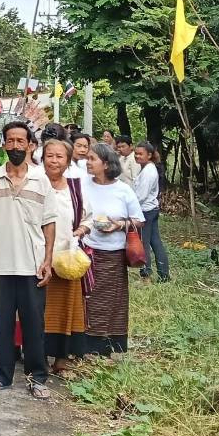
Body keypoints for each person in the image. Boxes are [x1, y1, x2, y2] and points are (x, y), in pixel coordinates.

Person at [0, 120, 56, 398]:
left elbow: (49, 223)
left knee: (34, 323)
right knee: (2, 323)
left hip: (32, 264)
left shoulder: (41, 179)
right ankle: (3, 375)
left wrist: (48, 260)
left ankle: (38, 377)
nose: (15, 146)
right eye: (10, 141)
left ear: (29, 145)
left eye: (20, 141)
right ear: (3, 144)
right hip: (0, 263)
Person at [74, 142, 144, 355]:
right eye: (87, 159)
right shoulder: (82, 184)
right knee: (88, 298)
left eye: (92, 159)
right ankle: (85, 344)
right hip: (87, 251)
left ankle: (109, 343)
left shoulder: (122, 190)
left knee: (112, 300)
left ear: (106, 164)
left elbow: (139, 220)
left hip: (114, 254)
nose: (88, 163)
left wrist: (118, 224)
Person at [40, 138, 87, 373]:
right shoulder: (35, 184)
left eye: (60, 156)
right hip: (39, 257)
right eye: (50, 155)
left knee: (66, 310)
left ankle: (61, 360)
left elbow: (88, 216)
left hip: (67, 259)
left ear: (68, 161)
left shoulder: (76, 188)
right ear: (43, 158)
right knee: (40, 309)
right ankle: (38, 358)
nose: (54, 161)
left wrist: (81, 229)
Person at [133, 141, 169, 281]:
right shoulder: (146, 168)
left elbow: (140, 196)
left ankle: (145, 275)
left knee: (143, 244)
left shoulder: (148, 171)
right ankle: (164, 274)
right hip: (151, 209)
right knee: (155, 242)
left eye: (140, 154)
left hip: (145, 211)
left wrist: (129, 208)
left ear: (149, 155)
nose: (137, 156)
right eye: (136, 153)